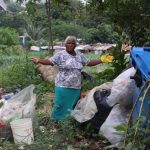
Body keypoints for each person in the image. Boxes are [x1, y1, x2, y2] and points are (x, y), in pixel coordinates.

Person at [31, 36, 107, 121]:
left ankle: (68, 123)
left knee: (72, 106)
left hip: (75, 87)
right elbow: (50, 61)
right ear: (65, 44)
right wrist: (39, 61)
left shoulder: (79, 55)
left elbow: (89, 62)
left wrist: (101, 60)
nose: (70, 45)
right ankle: (55, 122)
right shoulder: (60, 54)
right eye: (68, 43)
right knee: (59, 105)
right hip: (62, 86)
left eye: (72, 43)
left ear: (75, 45)